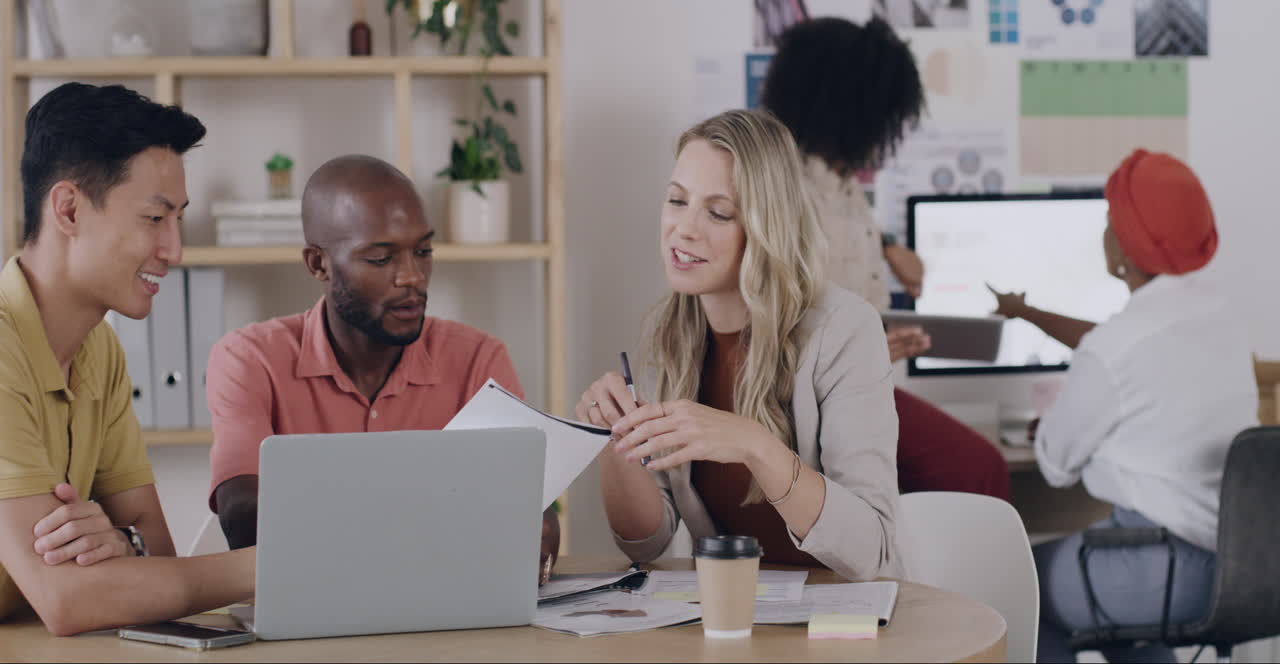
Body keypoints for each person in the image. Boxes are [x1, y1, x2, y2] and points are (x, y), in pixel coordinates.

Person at [578, 109, 903, 581]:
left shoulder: (843, 328)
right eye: (676, 200)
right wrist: (613, 441)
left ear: (766, 228)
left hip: (844, 622)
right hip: (735, 615)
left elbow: (869, 550)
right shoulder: (669, 334)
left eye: (718, 212)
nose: (683, 229)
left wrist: (756, 447)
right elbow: (646, 542)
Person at [206, 154, 560, 581]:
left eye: (423, 251)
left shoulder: (478, 359)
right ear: (318, 264)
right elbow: (244, 518)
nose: (412, 277)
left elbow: (531, 516)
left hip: (448, 619)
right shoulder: (250, 359)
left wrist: (535, 526)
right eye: (380, 259)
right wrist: (435, 520)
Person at [0, 83, 254, 635]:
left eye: (178, 220)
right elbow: (65, 599)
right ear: (68, 209)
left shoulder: (99, 349)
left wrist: (123, 541)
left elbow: (154, 547)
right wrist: (268, 566)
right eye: (154, 219)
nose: (174, 250)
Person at [989, 150, 1257, 663]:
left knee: (1019, 587)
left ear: (1125, 247)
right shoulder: (1222, 322)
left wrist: (1067, 425)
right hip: (1241, 568)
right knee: (1120, 617)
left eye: (1109, 221)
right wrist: (1023, 311)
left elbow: (1056, 464)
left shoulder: (1116, 348)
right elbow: (1125, 354)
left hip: (1162, 571)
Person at [760, 16, 1009, 500]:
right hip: (818, 403)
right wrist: (866, 352)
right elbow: (769, 338)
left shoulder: (841, 179)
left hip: (861, 390)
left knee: (969, 473)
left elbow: (843, 238)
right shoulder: (780, 195)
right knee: (978, 470)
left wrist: (890, 244)